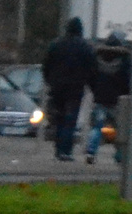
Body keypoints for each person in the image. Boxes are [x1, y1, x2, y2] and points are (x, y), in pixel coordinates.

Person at [41, 17, 96, 161]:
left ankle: (58, 148)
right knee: (70, 120)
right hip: (75, 88)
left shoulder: (55, 45)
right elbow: (91, 68)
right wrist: (89, 84)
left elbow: (46, 65)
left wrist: (50, 81)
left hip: (57, 87)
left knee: (58, 118)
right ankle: (66, 150)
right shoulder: (85, 47)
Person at [85, 32, 132, 165]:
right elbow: (127, 79)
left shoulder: (97, 56)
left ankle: (90, 152)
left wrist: (95, 90)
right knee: (120, 129)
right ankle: (120, 155)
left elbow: (91, 77)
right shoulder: (125, 58)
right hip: (118, 100)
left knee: (97, 127)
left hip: (100, 97)